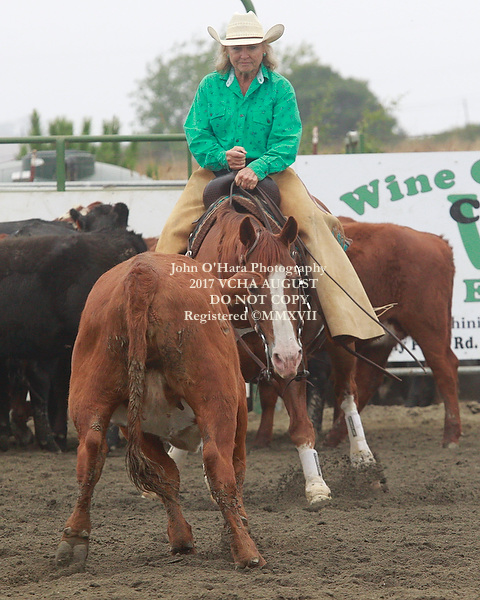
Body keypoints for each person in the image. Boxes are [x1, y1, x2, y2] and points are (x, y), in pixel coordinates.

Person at [156, 11, 383, 343]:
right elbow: (196, 132)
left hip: (273, 172)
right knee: (172, 232)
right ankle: (161, 321)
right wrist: (222, 156)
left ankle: (350, 319)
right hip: (214, 171)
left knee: (313, 224)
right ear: (226, 52)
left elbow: (288, 140)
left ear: (264, 49)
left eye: (251, 47)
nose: (244, 54)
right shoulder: (209, 87)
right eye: (237, 48)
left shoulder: (280, 89)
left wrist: (257, 167)